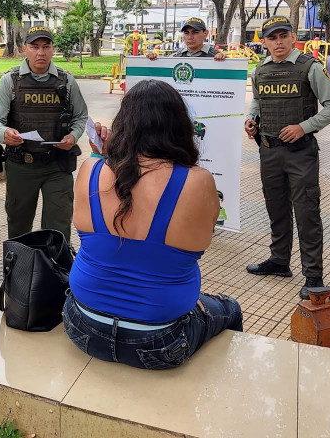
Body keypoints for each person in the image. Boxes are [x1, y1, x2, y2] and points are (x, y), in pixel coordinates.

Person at [63, 81, 242, 370]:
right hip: (162, 340)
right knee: (230, 309)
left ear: (123, 124)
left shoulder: (91, 169)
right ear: (180, 125)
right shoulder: (197, 181)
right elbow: (204, 237)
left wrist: (103, 155)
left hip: (82, 325)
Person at [244, 16, 330, 300]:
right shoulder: (259, 71)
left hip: (300, 154)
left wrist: (304, 127)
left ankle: (313, 275)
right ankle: (279, 261)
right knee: (276, 207)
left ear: (292, 38)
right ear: (264, 42)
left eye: (283, 36)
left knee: (306, 212)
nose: (278, 42)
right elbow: (257, 100)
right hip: (269, 150)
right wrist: (252, 119)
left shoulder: (309, 68)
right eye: (272, 38)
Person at [0, 26, 88, 240]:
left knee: (58, 228)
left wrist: (73, 136)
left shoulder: (66, 81)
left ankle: (54, 272)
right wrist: (5, 134)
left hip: (57, 165)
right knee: (18, 226)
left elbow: (80, 117)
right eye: (34, 47)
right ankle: (18, 272)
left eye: (46, 47)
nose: (40, 53)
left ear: (53, 50)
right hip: (22, 165)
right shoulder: (10, 81)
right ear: (25, 49)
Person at [146, 18, 226, 61]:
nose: (190, 37)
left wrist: (224, 61)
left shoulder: (215, 56)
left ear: (205, 33)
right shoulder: (175, 57)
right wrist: (153, 60)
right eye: (186, 33)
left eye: (195, 32)